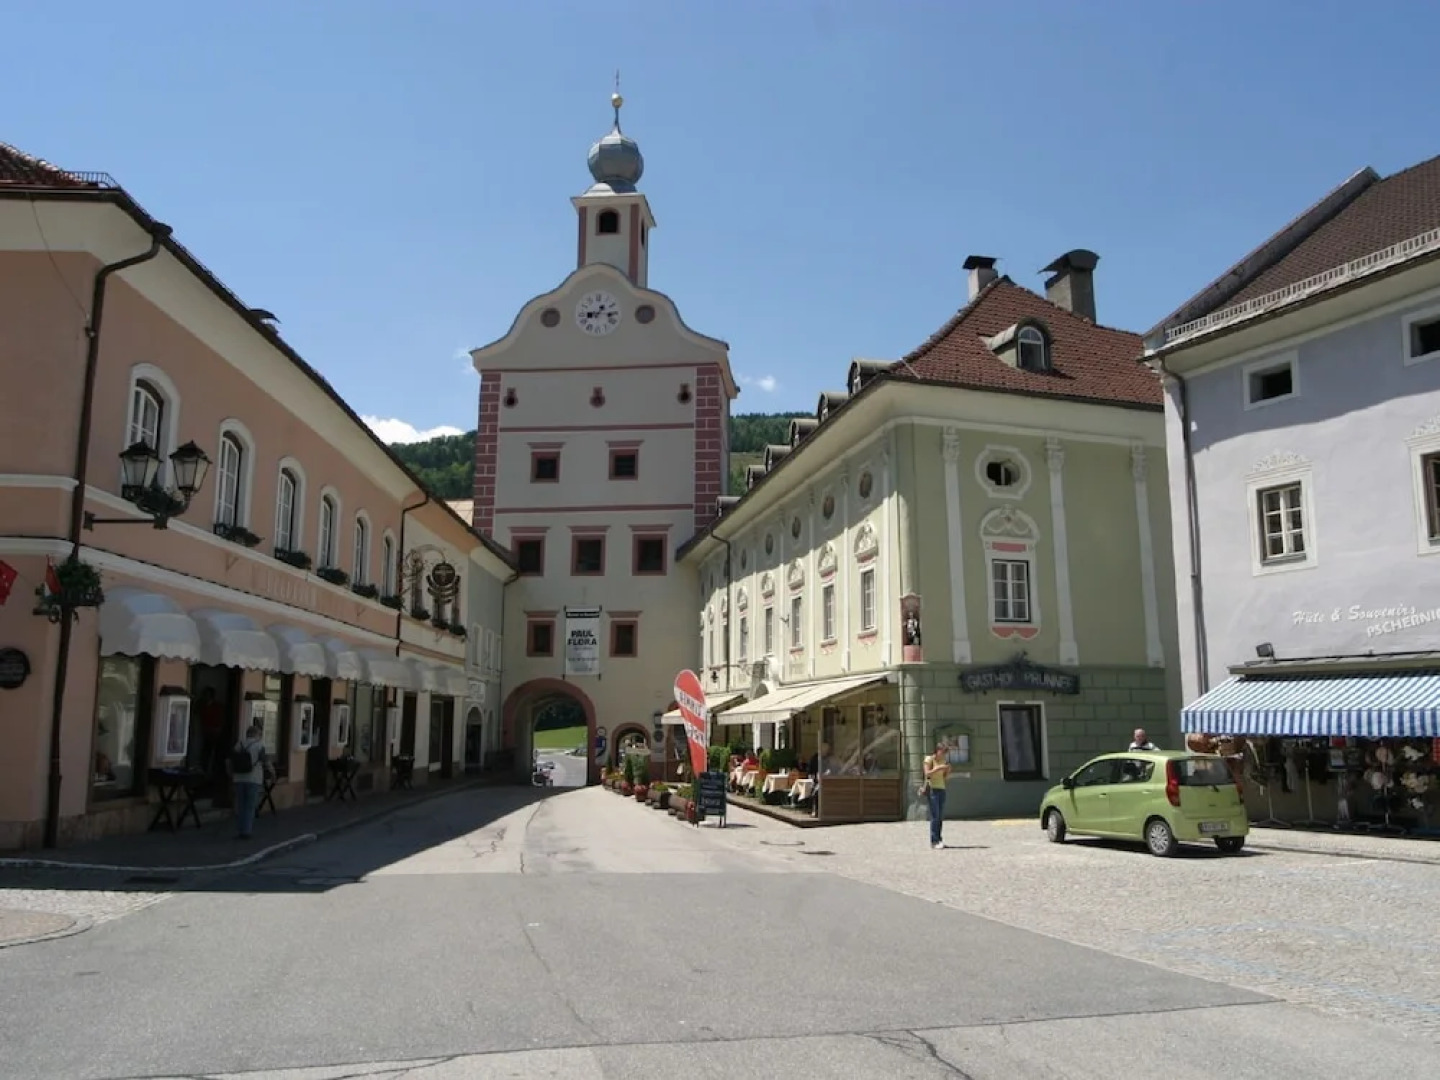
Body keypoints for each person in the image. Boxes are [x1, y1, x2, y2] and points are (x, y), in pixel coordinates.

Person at [230, 723, 270, 840]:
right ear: (257, 734)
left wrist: (231, 773)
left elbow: (230, 759)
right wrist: (272, 773)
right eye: (260, 734)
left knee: (240, 805)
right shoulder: (259, 746)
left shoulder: (239, 744)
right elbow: (266, 761)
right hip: (253, 779)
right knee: (250, 806)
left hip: (238, 778)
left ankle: (240, 829)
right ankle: (246, 831)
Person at [922, 740, 952, 849]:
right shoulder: (929, 759)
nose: (944, 755)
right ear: (938, 750)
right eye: (943, 752)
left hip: (941, 789)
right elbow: (927, 773)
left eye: (945, 753)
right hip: (932, 789)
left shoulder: (943, 761)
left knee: (940, 816)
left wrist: (948, 771)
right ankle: (934, 841)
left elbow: (945, 778)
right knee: (935, 816)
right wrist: (938, 768)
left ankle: (939, 839)